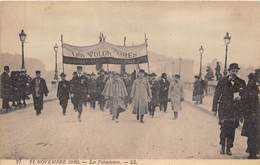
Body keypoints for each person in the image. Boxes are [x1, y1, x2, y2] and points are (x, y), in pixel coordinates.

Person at [212, 63, 246, 155]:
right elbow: (216, 95)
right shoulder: (222, 81)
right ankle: (222, 146)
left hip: (235, 109)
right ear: (229, 71)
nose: (234, 73)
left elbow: (245, 97)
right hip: (224, 109)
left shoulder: (241, 82)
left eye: (236, 71)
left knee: (232, 129)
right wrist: (214, 108)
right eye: (232, 71)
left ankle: (229, 148)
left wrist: (241, 100)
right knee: (223, 128)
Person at [241, 73, 259, 159]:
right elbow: (244, 102)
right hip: (252, 115)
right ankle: (253, 153)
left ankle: (254, 151)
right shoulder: (250, 87)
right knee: (253, 135)